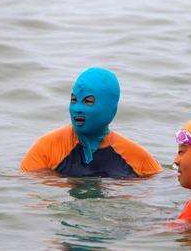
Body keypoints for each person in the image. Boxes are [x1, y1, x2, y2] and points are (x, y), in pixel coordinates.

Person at [20, 67, 162, 178]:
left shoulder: (138, 159)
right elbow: (28, 194)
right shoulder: (47, 148)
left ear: (111, 108)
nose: (78, 109)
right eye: (74, 100)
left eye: (88, 101)